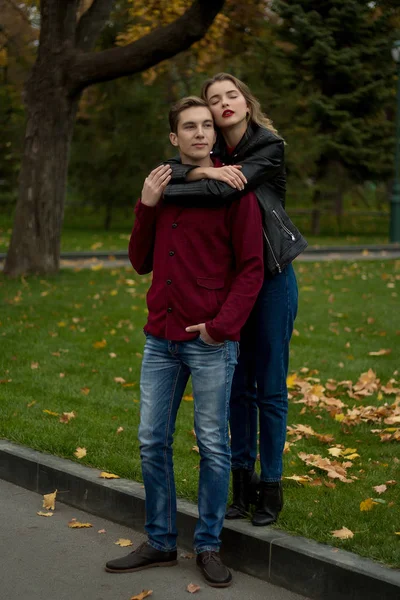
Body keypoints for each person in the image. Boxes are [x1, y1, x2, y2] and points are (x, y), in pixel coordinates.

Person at [105, 96, 264, 587]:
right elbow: (138, 260)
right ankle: (158, 541)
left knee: (213, 446)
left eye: (206, 125)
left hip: (210, 340)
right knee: (152, 441)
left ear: (215, 135)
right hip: (161, 338)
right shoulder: (164, 184)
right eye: (188, 127)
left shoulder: (235, 189)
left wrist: (220, 327)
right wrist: (145, 205)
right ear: (174, 138)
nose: (199, 133)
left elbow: (251, 268)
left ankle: (209, 546)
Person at [163, 73, 308, 527]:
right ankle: (240, 487)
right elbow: (168, 179)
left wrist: (203, 174)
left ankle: (271, 485)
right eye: (214, 100)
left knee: (269, 387)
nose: (224, 104)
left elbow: (225, 189)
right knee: (236, 389)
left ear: (246, 102)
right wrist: (204, 166)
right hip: (230, 285)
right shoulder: (212, 150)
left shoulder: (270, 146)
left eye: (232, 96)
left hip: (272, 279)